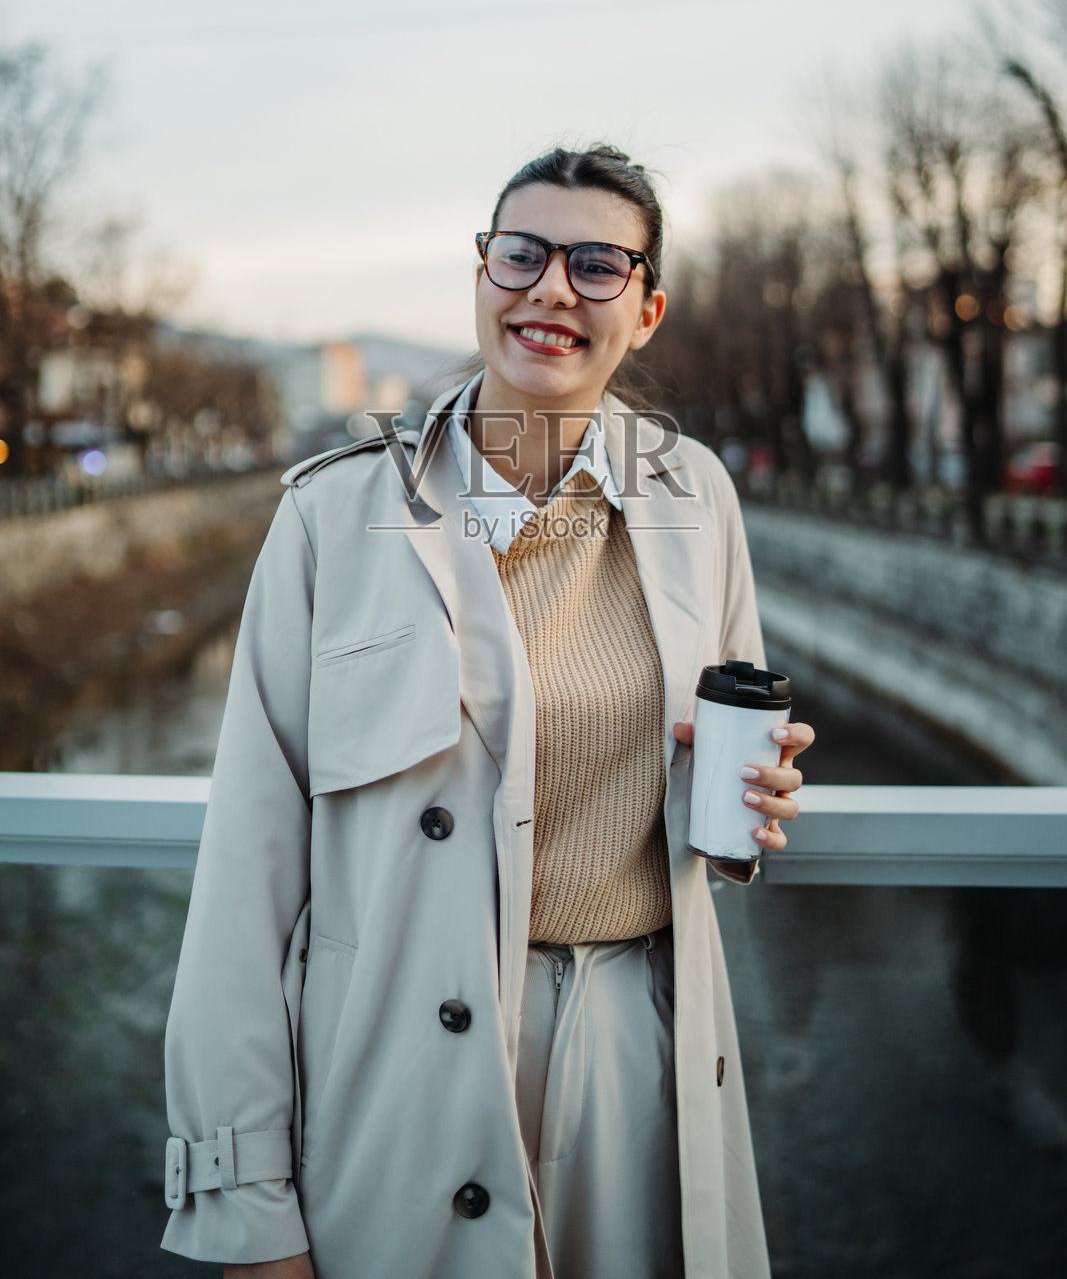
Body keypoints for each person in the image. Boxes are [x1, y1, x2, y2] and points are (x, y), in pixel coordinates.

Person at [161, 144, 813, 1279]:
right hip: (401, 1073)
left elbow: (722, 791)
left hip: (638, 1060)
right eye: (521, 252)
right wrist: (246, 1207)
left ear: (646, 310)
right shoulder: (334, 516)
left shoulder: (695, 496)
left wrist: (753, 797)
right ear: (479, 277)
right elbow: (245, 881)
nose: (551, 288)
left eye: (597, 264)